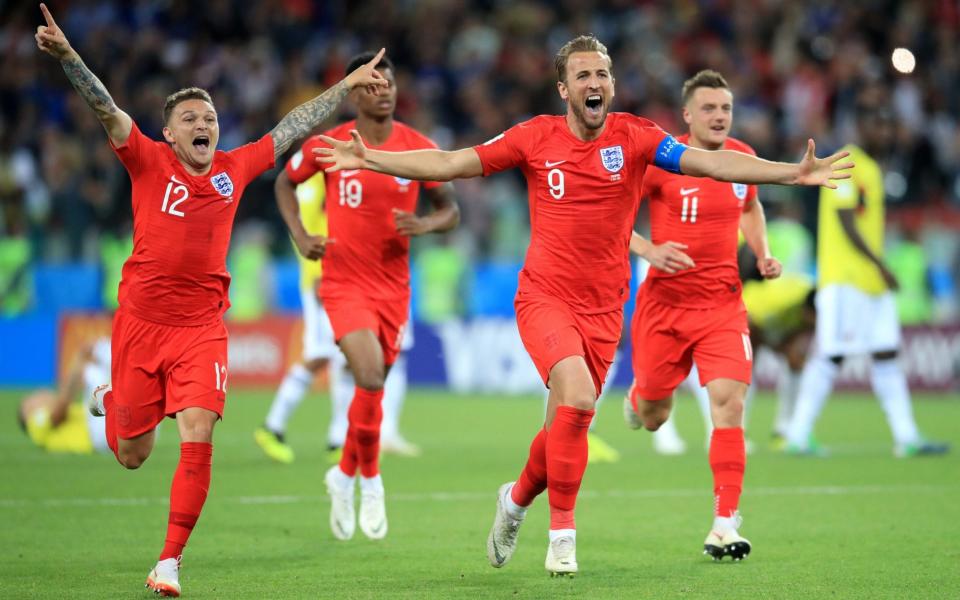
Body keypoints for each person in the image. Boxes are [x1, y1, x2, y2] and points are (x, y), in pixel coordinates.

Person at [315, 37, 851, 575]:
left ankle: (516, 500)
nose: (594, 83)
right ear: (564, 89)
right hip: (545, 297)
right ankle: (563, 539)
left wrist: (793, 173)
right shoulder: (534, 137)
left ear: (611, 83)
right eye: (583, 75)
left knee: (566, 427)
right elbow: (453, 161)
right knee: (574, 397)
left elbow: (710, 165)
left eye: (603, 73)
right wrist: (373, 159)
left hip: (605, 309)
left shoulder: (637, 137)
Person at [35, 4, 387, 595]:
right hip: (142, 326)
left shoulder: (232, 169)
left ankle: (168, 562)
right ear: (170, 133)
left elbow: (292, 126)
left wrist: (346, 85)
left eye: (212, 117)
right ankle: (110, 397)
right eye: (191, 118)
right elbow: (105, 108)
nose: (205, 125)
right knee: (132, 454)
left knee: (198, 429)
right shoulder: (145, 159)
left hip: (202, 328)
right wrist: (69, 55)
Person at [281, 51, 460, 542]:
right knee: (369, 373)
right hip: (341, 282)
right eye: (371, 84)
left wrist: (423, 223)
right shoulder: (328, 144)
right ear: (352, 93)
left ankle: (342, 475)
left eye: (389, 82)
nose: (382, 90)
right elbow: (284, 182)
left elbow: (451, 211)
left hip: (393, 288)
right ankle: (373, 481)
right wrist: (299, 234)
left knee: (372, 385)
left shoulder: (417, 147)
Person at [622, 70, 783, 562]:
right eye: (709, 108)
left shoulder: (743, 159)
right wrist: (649, 250)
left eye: (726, 109)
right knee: (654, 416)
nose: (719, 116)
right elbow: (613, 221)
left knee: (728, 405)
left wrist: (761, 252)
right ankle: (638, 396)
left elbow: (750, 207)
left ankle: (724, 522)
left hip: (722, 306)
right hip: (663, 309)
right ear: (687, 115)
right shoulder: (662, 161)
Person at [783, 105, 950, 458]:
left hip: (870, 281)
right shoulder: (848, 162)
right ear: (861, 126)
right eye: (877, 124)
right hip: (845, 278)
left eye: (889, 126)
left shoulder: (874, 169)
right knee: (832, 355)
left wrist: (877, 269)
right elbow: (845, 219)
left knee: (887, 353)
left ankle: (907, 437)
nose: (885, 133)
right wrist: (880, 264)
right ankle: (797, 434)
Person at [18, 338, 111, 455]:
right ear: (27, 415)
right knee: (92, 371)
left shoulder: (73, 411)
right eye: (31, 402)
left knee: (99, 366)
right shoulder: (34, 425)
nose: (39, 395)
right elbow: (58, 414)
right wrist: (79, 361)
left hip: (101, 427)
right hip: (97, 435)